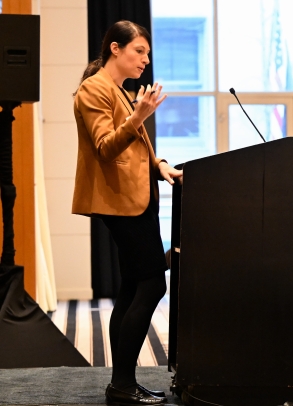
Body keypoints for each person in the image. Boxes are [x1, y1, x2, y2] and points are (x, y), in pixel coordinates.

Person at [73, 21, 181, 406]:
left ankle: (122, 382)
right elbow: (105, 147)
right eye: (139, 51)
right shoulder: (94, 89)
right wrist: (140, 114)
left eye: (147, 54)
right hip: (121, 203)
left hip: (136, 197)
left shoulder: (117, 90)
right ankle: (121, 383)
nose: (145, 60)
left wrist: (160, 165)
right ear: (115, 49)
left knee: (133, 288)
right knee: (153, 285)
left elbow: (136, 147)